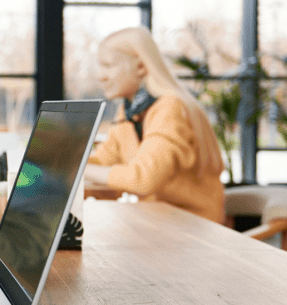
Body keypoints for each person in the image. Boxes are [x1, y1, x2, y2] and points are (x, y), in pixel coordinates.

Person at [82, 26, 225, 224]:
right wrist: (58, 166)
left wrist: (76, 168)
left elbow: (142, 180)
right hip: (158, 224)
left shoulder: (170, 107)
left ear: (141, 67)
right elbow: (105, 160)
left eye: (108, 65)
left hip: (193, 230)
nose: (100, 76)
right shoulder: (130, 111)